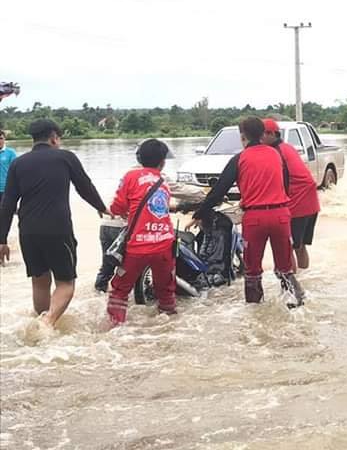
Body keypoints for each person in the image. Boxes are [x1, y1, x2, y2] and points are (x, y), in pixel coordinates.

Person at [0, 119, 108, 327]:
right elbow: (84, 186)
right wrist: (102, 207)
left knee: (40, 283)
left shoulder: (18, 163)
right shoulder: (66, 157)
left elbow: (7, 204)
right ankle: (47, 323)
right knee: (66, 283)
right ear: (54, 138)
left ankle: (40, 323)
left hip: (28, 232)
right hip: (58, 230)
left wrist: (2, 239)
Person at [191, 117, 303, 306]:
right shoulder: (277, 154)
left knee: (252, 272)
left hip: (255, 219)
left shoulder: (239, 158)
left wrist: (199, 213)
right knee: (285, 269)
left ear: (242, 136)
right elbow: (285, 185)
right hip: (281, 216)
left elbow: (218, 191)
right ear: (262, 135)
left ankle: (255, 312)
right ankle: (296, 303)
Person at [106, 139, 176, 324]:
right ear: (163, 162)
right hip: (165, 245)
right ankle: (170, 324)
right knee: (166, 290)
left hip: (137, 247)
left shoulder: (130, 176)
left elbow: (118, 207)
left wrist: (113, 211)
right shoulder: (164, 181)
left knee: (119, 290)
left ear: (139, 159)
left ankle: (114, 328)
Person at [262, 119, 320, 273]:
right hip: (311, 202)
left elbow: (281, 181)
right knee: (300, 246)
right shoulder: (287, 147)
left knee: (286, 247)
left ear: (271, 134)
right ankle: (305, 278)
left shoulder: (275, 152)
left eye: (261, 135)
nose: (259, 140)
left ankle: (293, 284)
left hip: (297, 203)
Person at [94, 216, 126, 292]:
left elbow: (100, 212)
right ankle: (119, 287)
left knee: (107, 260)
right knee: (124, 262)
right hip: (121, 227)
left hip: (104, 225)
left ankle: (100, 287)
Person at [0, 130, 17, 205]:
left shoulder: (11, 152)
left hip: (6, 189)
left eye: (1, 138)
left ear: (4, 139)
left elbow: (15, 171)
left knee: (5, 210)